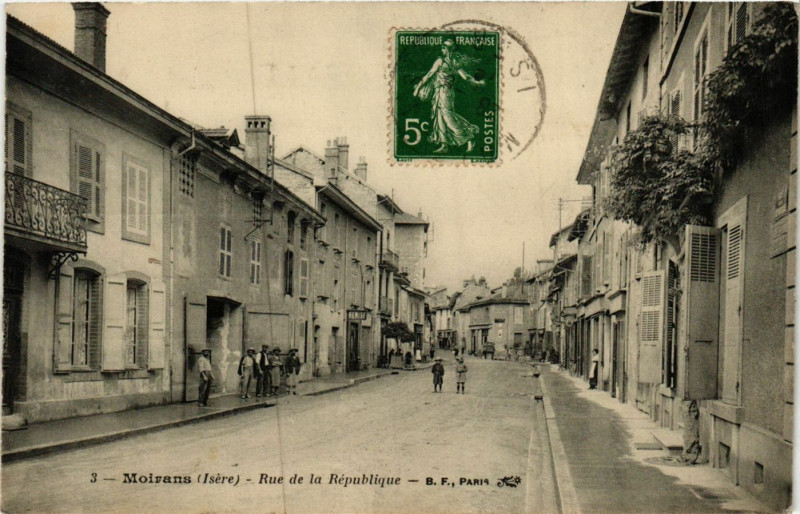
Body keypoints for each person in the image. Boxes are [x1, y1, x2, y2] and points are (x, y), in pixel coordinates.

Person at [413, 39, 484, 153]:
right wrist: (476, 82)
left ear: (448, 49)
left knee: (448, 117)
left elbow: (429, 75)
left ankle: (469, 138)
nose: (441, 49)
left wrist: (417, 88)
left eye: (443, 47)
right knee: (440, 117)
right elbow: (465, 76)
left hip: (445, 93)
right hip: (442, 92)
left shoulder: (442, 61)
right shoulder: (452, 61)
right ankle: (444, 144)